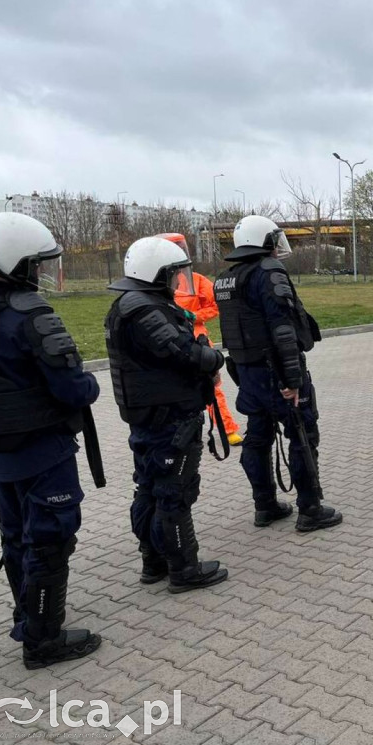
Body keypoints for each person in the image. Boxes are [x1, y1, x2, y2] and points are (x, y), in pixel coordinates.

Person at [0, 213, 102, 668]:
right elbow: (71, 388)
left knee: (15, 533)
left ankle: (28, 612)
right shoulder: (29, 313)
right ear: (14, 261)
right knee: (49, 537)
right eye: (36, 263)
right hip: (41, 447)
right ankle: (44, 640)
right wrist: (90, 385)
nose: (40, 272)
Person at [105, 237, 229, 593]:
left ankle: (154, 560)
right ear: (156, 273)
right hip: (170, 418)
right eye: (174, 274)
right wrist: (212, 357)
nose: (178, 280)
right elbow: (184, 353)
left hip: (151, 416)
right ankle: (184, 569)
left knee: (149, 488)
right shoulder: (145, 310)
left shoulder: (131, 304)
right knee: (174, 491)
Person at [215, 215, 342, 532]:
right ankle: (310, 510)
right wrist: (292, 380)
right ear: (265, 241)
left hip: (248, 375)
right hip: (276, 374)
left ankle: (265, 506)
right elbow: (283, 330)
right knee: (302, 434)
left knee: (258, 438)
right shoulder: (269, 272)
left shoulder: (227, 278)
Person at [159, 234, 243, 446]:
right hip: (166, 340)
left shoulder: (196, 280)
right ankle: (175, 434)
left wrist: (195, 316)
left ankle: (226, 428)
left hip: (196, 339)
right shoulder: (155, 283)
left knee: (211, 386)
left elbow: (215, 305)